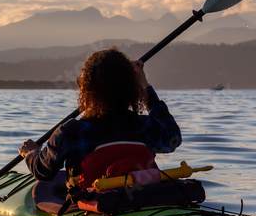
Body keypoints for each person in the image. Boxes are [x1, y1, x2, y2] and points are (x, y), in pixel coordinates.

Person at [18, 47, 181, 190]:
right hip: (138, 199)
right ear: (132, 88)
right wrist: (145, 85)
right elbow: (173, 139)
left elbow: (43, 171)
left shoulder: (71, 132)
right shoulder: (143, 126)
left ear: (87, 89)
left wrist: (31, 153)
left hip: (90, 207)